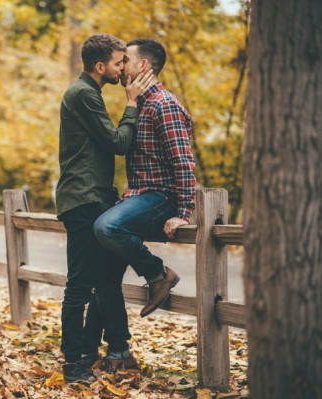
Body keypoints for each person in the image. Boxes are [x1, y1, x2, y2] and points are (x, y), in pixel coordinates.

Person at [56, 33, 154, 383]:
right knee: (80, 286)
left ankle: (86, 350)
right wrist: (131, 103)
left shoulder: (88, 93)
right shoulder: (82, 94)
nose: (121, 68)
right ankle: (73, 364)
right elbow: (118, 142)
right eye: (117, 63)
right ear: (100, 66)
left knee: (103, 279)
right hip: (83, 200)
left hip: (96, 199)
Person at [93, 38, 196, 319]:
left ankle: (158, 274)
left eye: (125, 59)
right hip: (139, 197)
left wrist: (184, 212)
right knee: (103, 273)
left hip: (161, 197)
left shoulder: (165, 104)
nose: (121, 66)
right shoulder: (138, 104)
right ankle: (118, 351)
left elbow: (183, 161)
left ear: (143, 64)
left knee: (106, 227)